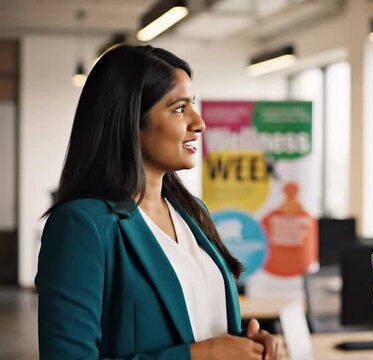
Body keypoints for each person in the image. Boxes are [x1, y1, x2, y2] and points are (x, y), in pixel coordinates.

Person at [36, 44, 278, 360]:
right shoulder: (82, 225)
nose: (199, 123)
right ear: (130, 121)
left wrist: (248, 346)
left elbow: (205, 328)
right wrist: (201, 355)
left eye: (193, 105)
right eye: (179, 109)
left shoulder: (194, 213)